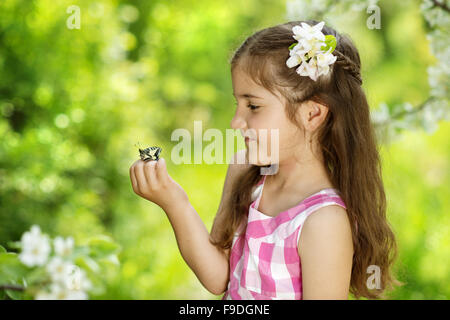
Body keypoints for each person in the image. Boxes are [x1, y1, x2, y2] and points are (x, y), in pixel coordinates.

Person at [129, 20, 399, 300]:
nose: (236, 122)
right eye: (238, 104)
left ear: (312, 115)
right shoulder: (245, 173)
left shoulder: (324, 221)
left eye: (253, 106)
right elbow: (219, 277)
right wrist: (174, 201)